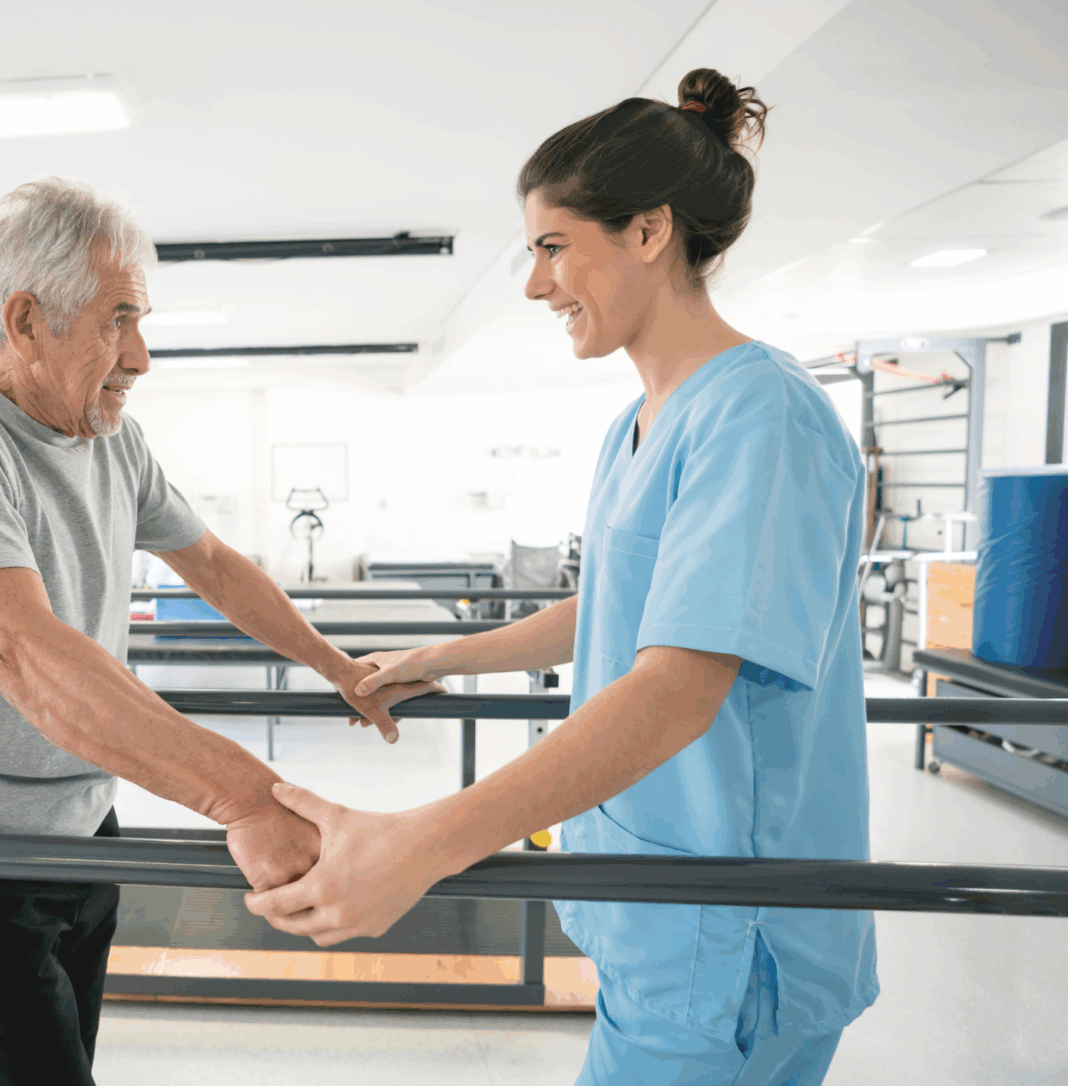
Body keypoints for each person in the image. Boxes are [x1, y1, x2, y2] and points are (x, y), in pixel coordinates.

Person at [246, 69, 877, 1085]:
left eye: (552, 247)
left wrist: (426, 843)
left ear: (648, 231)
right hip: (656, 905)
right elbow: (629, 606)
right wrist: (446, 654)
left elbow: (676, 686)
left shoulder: (760, 416)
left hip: (730, 930)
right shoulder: (639, 423)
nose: (538, 286)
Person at [0, 177, 435, 1086]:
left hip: (81, 812)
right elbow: (13, 647)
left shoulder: (110, 433)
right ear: (26, 320)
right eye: (117, 320)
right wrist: (245, 798)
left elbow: (213, 563)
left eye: (140, 320)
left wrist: (336, 666)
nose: (142, 356)